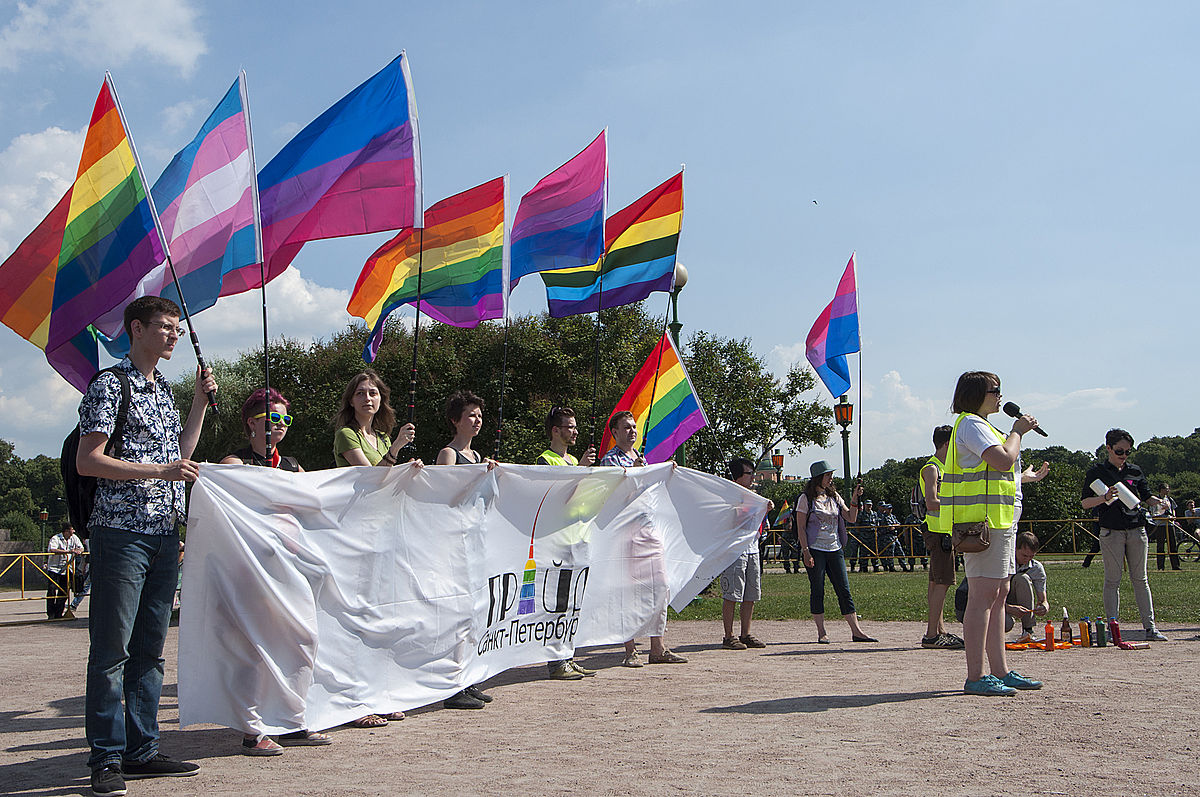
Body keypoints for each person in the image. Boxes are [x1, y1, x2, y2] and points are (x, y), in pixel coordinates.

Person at [76, 296, 218, 794]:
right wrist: (160, 472)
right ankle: (106, 756)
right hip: (120, 532)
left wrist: (198, 403)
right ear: (136, 329)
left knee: (150, 650)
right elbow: (88, 460)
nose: (174, 335)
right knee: (111, 649)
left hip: (163, 533)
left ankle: (142, 749)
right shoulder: (109, 384)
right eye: (164, 326)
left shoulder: (163, 389)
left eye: (177, 328)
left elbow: (179, 454)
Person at [221, 389, 331, 755]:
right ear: (251, 423)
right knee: (255, 649)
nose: (279, 425)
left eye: (285, 419)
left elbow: (318, 500)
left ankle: (291, 719)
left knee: (302, 641)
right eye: (272, 419)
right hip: (251, 571)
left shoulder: (292, 466)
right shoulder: (234, 464)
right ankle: (252, 731)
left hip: (290, 569)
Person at [941, 371, 1045, 697]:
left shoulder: (983, 426)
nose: (1000, 395)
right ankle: (976, 675)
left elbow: (1002, 472)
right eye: (994, 390)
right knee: (982, 599)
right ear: (976, 395)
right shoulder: (971, 424)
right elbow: (1002, 460)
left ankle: (999, 670)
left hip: (999, 522)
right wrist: (1017, 432)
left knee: (999, 595)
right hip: (982, 524)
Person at [331, 370, 417, 726]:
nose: (369, 398)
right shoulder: (347, 435)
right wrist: (396, 450)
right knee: (359, 620)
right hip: (356, 534)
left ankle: (381, 694)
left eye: (375, 393)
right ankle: (356, 701)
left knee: (384, 618)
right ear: (351, 400)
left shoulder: (381, 436)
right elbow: (371, 478)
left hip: (385, 535)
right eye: (362, 393)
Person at [601, 411, 687, 665]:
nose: (632, 431)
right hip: (624, 533)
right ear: (614, 433)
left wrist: (663, 471)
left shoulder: (643, 459)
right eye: (626, 427)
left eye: (634, 427)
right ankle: (629, 649)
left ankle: (657, 648)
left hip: (648, 529)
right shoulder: (609, 461)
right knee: (627, 590)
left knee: (660, 585)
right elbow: (613, 497)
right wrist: (636, 474)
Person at [435, 390, 499, 708]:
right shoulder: (449, 454)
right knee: (457, 617)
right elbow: (447, 498)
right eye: (470, 415)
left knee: (475, 615)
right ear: (455, 421)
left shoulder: (478, 458)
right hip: (455, 544)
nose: (476, 420)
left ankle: (469, 678)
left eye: (479, 415)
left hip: (475, 543)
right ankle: (453, 686)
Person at [1080, 428, 1168, 642]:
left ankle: (1150, 627)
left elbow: (1146, 496)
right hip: (1111, 531)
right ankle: (1113, 628)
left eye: (1128, 451)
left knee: (1141, 579)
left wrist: (1159, 503)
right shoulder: (1096, 472)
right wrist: (1104, 497)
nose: (1124, 455)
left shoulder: (1135, 471)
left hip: (1136, 529)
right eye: (1120, 451)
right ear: (1108, 448)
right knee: (1112, 580)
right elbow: (1084, 503)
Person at [533, 406, 597, 679]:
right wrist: (581, 470)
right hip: (557, 542)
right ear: (556, 431)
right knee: (557, 604)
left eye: (575, 426)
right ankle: (555, 662)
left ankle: (568, 656)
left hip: (578, 539)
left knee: (573, 605)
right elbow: (551, 500)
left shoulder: (572, 461)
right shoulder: (545, 460)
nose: (575, 431)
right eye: (570, 427)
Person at [795, 460, 876, 644]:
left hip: (835, 548)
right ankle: (821, 632)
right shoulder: (805, 499)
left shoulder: (834, 496)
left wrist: (855, 498)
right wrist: (806, 552)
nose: (831, 478)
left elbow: (851, 517)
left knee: (844, 589)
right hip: (815, 549)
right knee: (818, 590)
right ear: (818, 477)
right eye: (827, 475)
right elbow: (800, 528)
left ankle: (856, 631)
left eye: (831, 475)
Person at [919, 425, 963, 650]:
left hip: (942, 530)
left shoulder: (944, 467)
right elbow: (931, 501)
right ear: (946, 444)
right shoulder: (932, 468)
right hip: (939, 531)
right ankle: (931, 635)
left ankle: (939, 629)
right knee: (943, 583)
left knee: (936, 582)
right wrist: (959, 504)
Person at [720, 457, 770, 650]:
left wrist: (764, 509)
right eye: (749, 473)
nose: (753, 477)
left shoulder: (754, 497)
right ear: (737, 476)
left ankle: (746, 633)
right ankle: (728, 635)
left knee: (751, 594)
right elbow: (730, 518)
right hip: (735, 551)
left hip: (752, 549)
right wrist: (753, 507)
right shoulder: (728, 496)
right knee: (732, 594)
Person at [46, 521, 84, 619]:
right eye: (72, 529)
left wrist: (79, 551)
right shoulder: (55, 538)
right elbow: (52, 549)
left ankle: (59, 613)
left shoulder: (74, 538)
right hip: (54, 569)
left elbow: (81, 547)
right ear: (67, 531)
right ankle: (51, 614)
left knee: (64, 592)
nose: (74, 531)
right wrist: (68, 551)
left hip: (67, 569)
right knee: (52, 590)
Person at [1148, 483, 1182, 571]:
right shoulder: (1156, 500)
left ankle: (1175, 566)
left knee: (1173, 545)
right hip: (1160, 525)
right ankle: (1161, 567)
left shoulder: (1170, 499)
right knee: (1160, 546)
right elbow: (1154, 514)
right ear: (1161, 490)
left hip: (1170, 524)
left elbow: (1173, 509)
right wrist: (1161, 516)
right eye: (1166, 489)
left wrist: (1173, 516)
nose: (1168, 490)